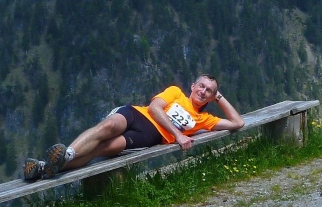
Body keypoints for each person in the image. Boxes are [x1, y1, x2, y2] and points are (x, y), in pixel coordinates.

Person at [24, 74, 245, 180]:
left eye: (209, 91)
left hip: (148, 136)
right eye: (201, 86)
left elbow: (238, 123)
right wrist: (178, 135)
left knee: (101, 149)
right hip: (138, 115)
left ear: (211, 97)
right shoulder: (175, 92)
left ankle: (44, 168)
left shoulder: (204, 119)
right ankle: (68, 154)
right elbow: (155, 108)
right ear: (193, 85)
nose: (203, 91)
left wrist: (219, 97)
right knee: (107, 126)